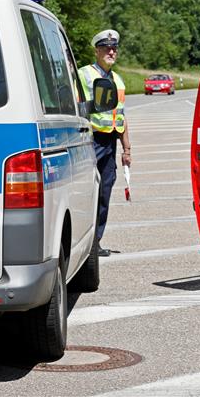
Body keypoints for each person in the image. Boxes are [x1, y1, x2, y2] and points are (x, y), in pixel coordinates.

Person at [79, 30, 131, 257]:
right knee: (86, 193)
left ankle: (96, 241)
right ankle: (84, 240)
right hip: (89, 140)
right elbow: (75, 105)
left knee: (105, 193)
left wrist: (127, 148)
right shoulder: (84, 75)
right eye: (106, 48)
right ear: (96, 50)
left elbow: (121, 115)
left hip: (110, 142)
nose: (111, 51)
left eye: (114, 48)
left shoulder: (117, 80)